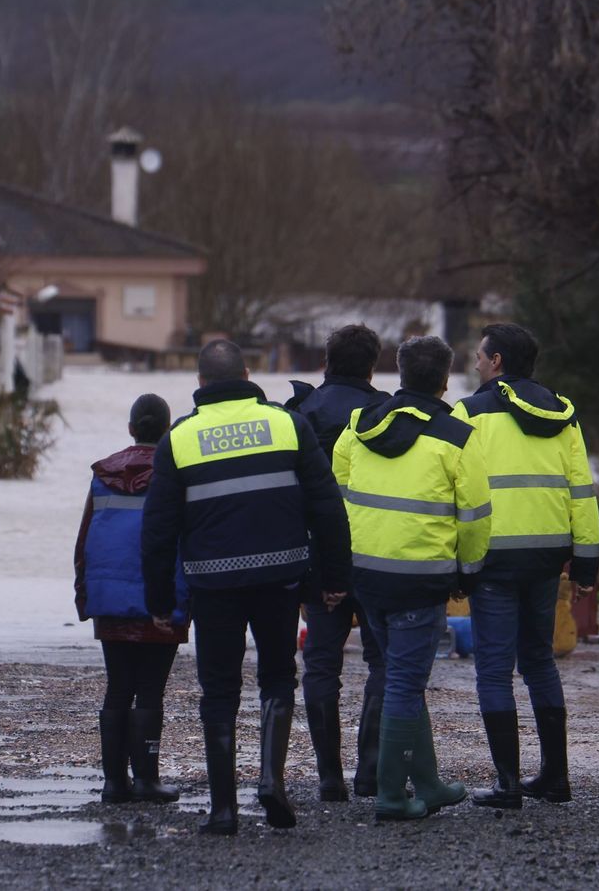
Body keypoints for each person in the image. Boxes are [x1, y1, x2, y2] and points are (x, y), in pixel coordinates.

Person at [141, 340, 351, 836]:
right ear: (249, 374)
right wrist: (335, 578)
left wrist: (159, 600)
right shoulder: (288, 424)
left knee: (219, 689)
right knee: (278, 677)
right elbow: (327, 508)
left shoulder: (180, 438)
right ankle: (270, 780)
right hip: (282, 575)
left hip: (213, 583)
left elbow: (158, 529)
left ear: (200, 384)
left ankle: (223, 810)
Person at [333, 335, 491, 821]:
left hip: (367, 574)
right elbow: (476, 518)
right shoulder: (457, 438)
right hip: (421, 580)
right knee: (404, 681)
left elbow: (336, 490)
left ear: (398, 374)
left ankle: (427, 782)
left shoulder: (359, 426)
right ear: (446, 381)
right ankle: (391, 795)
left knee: (404, 678)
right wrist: (467, 572)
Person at [453, 324, 599, 808]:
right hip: (545, 555)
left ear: (496, 362)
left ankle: (507, 783)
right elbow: (582, 492)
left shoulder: (469, 413)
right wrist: (586, 563)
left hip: (492, 557)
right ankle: (555, 778)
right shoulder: (564, 415)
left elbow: (456, 486)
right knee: (538, 660)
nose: (474, 364)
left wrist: (455, 558)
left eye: (479, 357)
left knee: (494, 669)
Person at [283, 324, 391, 801]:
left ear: (326, 361)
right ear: (373, 364)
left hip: (316, 558)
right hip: (376, 554)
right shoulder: (391, 413)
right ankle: (370, 770)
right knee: (384, 662)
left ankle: (329, 776)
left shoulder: (300, 414)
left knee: (321, 663)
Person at [73, 393, 187, 805]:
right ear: (169, 430)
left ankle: (113, 783)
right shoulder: (175, 473)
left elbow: (85, 540)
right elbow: (181, 543)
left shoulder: (102, 474)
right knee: (151, 690)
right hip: (160, 598)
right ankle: (147, 779)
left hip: (109, 597)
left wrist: (84, 595)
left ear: (130, 429)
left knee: (118, 687)